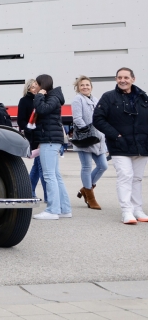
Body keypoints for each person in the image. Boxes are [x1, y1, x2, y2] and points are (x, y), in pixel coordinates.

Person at [93, 67, 148, 225]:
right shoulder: (109, 97)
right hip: (120, 146)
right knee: (125, 176)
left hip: (142, 146)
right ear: (116, 79)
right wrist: (115, 135)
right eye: (119, 77)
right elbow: (98, 119)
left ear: (133, 79)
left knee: (137, 178)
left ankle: (137, 209)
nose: (122, 80)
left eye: (126, 77)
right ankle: (126, 211)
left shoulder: (144, 98)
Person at [32, 74, 72, 220]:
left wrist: (39, 96)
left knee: (49, 175)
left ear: (42, 84)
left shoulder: (51, 98)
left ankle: (53, 210)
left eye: (36, 84)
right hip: (50, 139)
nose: (33, 86)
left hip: (49, 139)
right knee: (55, 175)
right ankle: (65, 209)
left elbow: (42, 110)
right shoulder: (54, 97)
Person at [70, 76, 107, 210]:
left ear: (91, 86)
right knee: (86, 167)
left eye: (87, 85)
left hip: (98, 139)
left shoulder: (96, 99)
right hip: (85, 138)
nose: (85, 87)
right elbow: (78, 119)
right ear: (78, 88)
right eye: (82, 85)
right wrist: (88, 131)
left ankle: (86, 188)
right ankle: (90, 197)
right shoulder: (77, 99)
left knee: (103, 166)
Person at [18, 79, 45, 200]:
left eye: (36, 86)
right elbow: (21, 120)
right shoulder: (24, 101)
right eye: (32, 87)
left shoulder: (42, 98)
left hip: (43, 134)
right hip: (34, 136)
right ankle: (48, 196)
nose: (35, 89)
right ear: (28, 88)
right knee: (42, 166)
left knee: (38, 166)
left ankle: (29, 191)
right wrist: (29, 129)